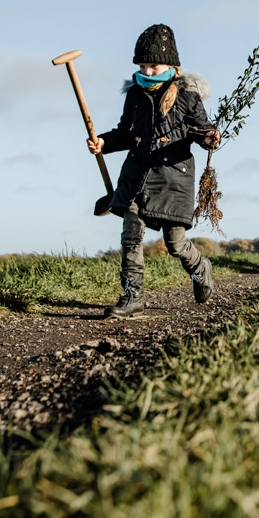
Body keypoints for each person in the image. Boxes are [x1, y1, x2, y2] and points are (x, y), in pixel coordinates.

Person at [88, 24, 219, 317]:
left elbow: (202, 132)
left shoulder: (187, 95)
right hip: (138, 175)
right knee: (131, 235)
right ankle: (132, 296)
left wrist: (210, 138)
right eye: (143, 66)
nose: (147, 72)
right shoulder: (135, 94)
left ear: (171, 65)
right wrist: (103, 142)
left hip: (173, 178)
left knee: (174, 243)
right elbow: (126, 132)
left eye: (153, 65)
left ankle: (201, 269)